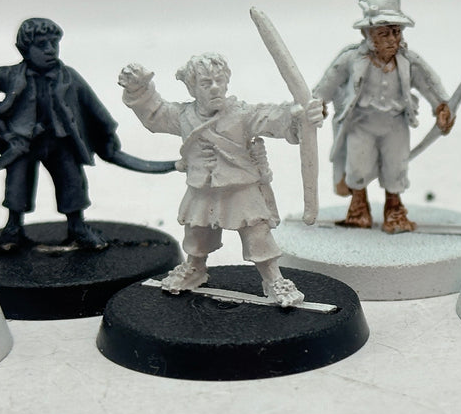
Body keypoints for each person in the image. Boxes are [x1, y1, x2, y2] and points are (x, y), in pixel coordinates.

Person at [118, 53, 324, 307]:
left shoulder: (242, 114)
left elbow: (273, 118)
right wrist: (139, 89)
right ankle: (195, 268)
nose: (215, 87)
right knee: (197, 231)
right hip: (202, 187)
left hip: (241, 187)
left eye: (219, 80)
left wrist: (300, 116)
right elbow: (156, 114)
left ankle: (274, 279)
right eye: (206, 83)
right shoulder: (183, 116)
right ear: (192, 88)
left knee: (257, 234)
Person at [312, 0, 454, 233]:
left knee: (395, 167)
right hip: (360, 124)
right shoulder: (351, 59)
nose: (392, 39)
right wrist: (317, 104)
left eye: (396, 32)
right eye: (384, 33)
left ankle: (394, 210)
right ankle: (358, 209)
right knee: (357, 166)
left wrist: (441, 106)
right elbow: (328, 83)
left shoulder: (408, 61)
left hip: (395, 124)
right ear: (368, 34)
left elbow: (429, 83)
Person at [0, 17, 121, 249]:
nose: (50, 50)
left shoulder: (69, 77)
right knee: (17, 184)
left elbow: (93, 106)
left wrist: (107, 133)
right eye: (42, 45)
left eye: (54, 43)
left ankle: (77, 227)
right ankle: (13, 230)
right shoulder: (11, 75)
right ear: (24, 49)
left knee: (72, 182)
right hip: (23, 143)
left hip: (60, 141)